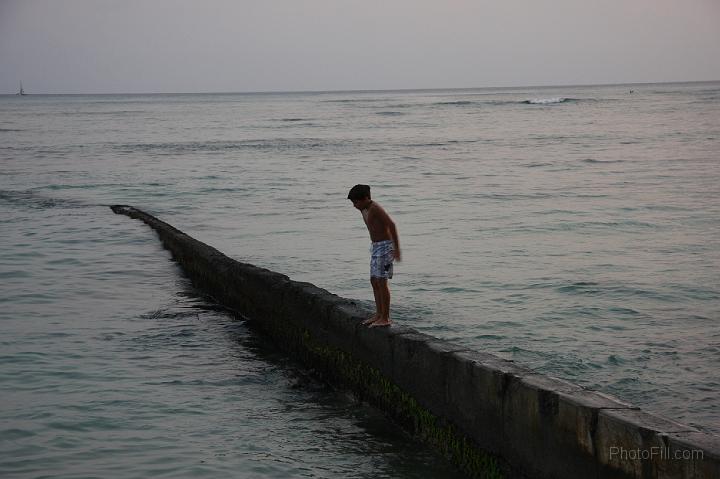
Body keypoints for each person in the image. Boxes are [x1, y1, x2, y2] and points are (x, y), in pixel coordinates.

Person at [347, 184, 401, 327]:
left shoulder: (375, 208)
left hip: (385, 247)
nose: (354, 206)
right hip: (376, 248)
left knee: (382, 282)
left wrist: (396, 249)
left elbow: (391, 225)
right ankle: (378, 314)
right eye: (353, 203)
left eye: (356, 202)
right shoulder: (363, 208)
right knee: (374, 280)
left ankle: (385, 317)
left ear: (365, 199)